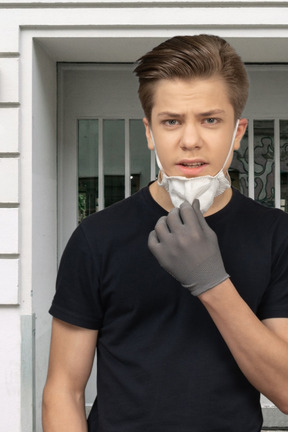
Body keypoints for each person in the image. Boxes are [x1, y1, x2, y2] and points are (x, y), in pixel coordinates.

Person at [42, 35, 288, 432]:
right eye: (171, 121)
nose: (190, 140)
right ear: (150, 132)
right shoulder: (96, 237)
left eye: (210, 120)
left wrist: (211, 283)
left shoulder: (277, 234)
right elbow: (63, 391)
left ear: (238, 132)